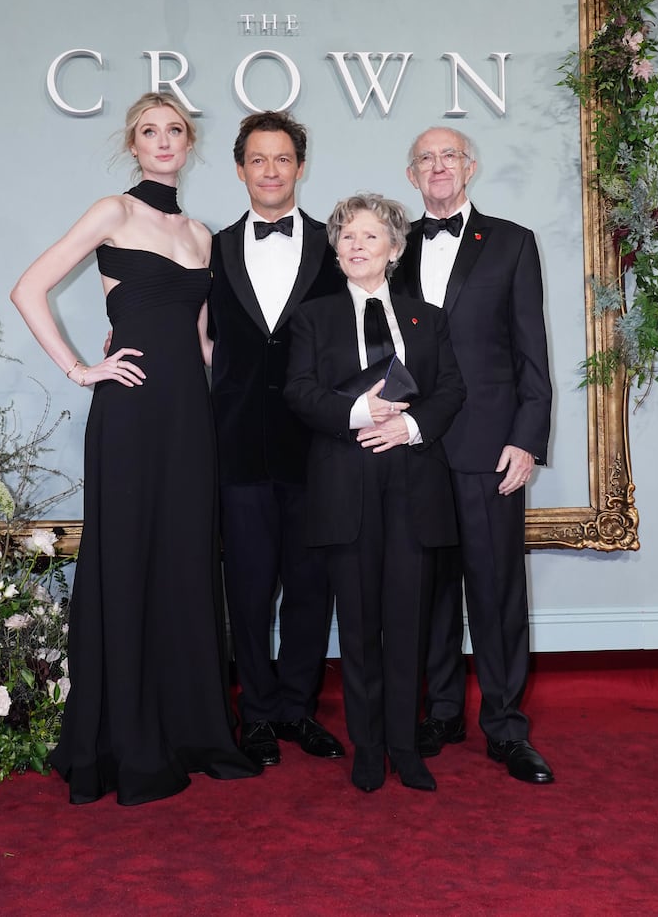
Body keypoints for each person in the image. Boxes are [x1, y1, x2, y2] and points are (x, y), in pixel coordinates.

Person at [10, 92, 259, 805]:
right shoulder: (112, 212)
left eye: (174, 130)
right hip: (130, 413)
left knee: (184, 558)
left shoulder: (203, 234)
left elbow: (206, 343)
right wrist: (80, 369)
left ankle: (193, 729)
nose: (162, 141)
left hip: (190, 417)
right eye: (149, 131)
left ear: (189, 143)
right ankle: (124, 737)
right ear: (133, 144)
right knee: (127, 555)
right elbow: (29, 288)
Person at [284, 194, 465, 793]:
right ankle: (368, 749)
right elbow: (299, 393)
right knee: (358, 626)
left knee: (407, 623)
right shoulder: (313, 318)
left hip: (414, 485)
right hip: (345, 485)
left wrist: (408, 426)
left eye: (368, 237)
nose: (355, 246)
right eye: (345, 238)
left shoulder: (427, 317)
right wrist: (359, 411)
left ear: (393, 249)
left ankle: (405, 748)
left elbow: (449, 391)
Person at [394, 126, 554, 785]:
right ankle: (439, 713)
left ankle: (507, 725)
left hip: (491, 447)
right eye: (426, 159)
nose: (438, 167)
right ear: (412, 175)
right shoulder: (390, 243)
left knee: (496, 590)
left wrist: (528, 437)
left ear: (471, 167)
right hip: (411, 447)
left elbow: (530, 354)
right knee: (427, 591)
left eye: (448, 156)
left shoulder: (512, 242)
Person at [209, 110, 346, 767]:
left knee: (311, 585)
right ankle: (256, 714)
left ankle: (298, 709)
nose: (269, 170)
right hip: (236, 445)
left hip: (317, 450)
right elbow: (190, 334)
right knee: (249, 589)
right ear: (240, 169)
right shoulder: (208, 248)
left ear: (299, 167)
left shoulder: (339, 245)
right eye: (257, 159)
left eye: (282, 159)